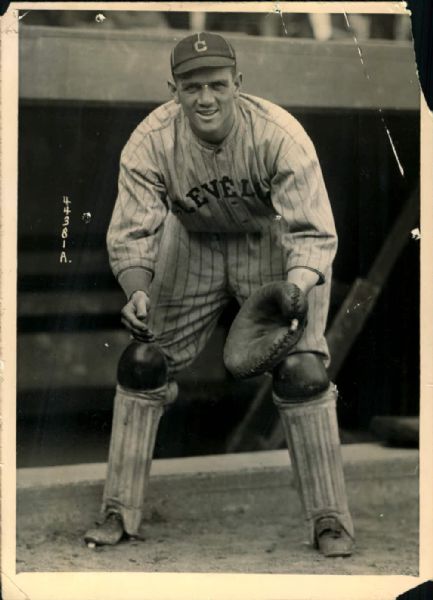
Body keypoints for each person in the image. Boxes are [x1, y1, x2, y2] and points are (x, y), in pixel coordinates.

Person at [84, 32, 354, 557]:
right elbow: (133, 232)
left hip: (271, 248)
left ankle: (329, 520)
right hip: (192, 244)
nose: (205, 98)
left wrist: (295, 291)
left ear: (238, 85)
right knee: (142, 362)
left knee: (303, 374)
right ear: (174, 90)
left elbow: (313, 232)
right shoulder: (150, 141)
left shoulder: (280, 135)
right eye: (191, 87)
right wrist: (137, 292)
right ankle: (119, 509)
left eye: (216, 85)